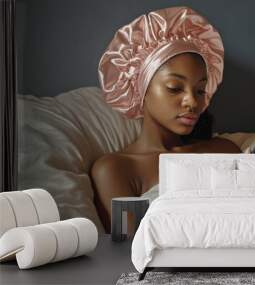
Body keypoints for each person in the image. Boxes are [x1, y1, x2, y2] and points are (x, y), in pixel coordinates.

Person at [91, 6, 241, 232]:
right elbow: (131, 248)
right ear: (141, 89)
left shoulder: (224, 150)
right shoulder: (117, 168)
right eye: (174, 88)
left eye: (200, 91)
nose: (193, 102)